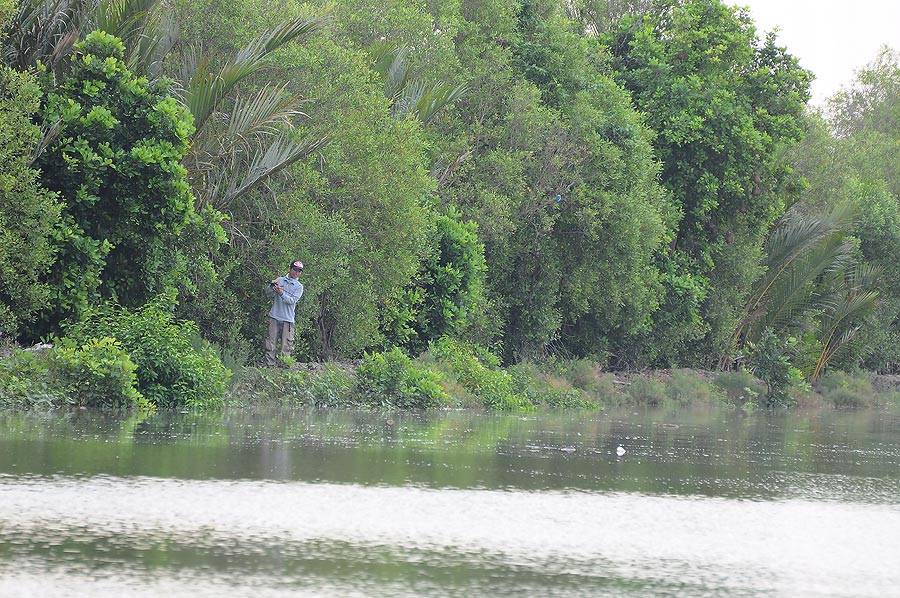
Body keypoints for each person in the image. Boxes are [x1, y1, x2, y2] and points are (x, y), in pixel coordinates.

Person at [264, 260, 304, 367]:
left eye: (299, 271)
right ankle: (269, 368)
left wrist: (281, 294)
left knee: (286, 347)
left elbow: (292, 301)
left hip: (288, 320)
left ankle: (284, 370)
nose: (296, 272)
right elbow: (267, 293)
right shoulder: (280, 280)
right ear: (290, 269)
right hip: (274, 317)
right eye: (295, 269)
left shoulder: (299, 287)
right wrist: (272, 286)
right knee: (270, 344)